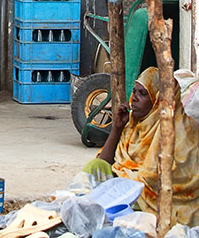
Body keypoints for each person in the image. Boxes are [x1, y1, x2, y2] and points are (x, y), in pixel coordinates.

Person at [85, 67, 199, 226]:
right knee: (95, 166)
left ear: (158, 99)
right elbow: (105, 161)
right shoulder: (135, 126)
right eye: (135, 92)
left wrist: (120, 182)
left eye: (143, 94)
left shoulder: (179, 130)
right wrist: (117, 129)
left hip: (158, 201)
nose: (134, 98)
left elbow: (155, 181)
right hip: (130, 190)